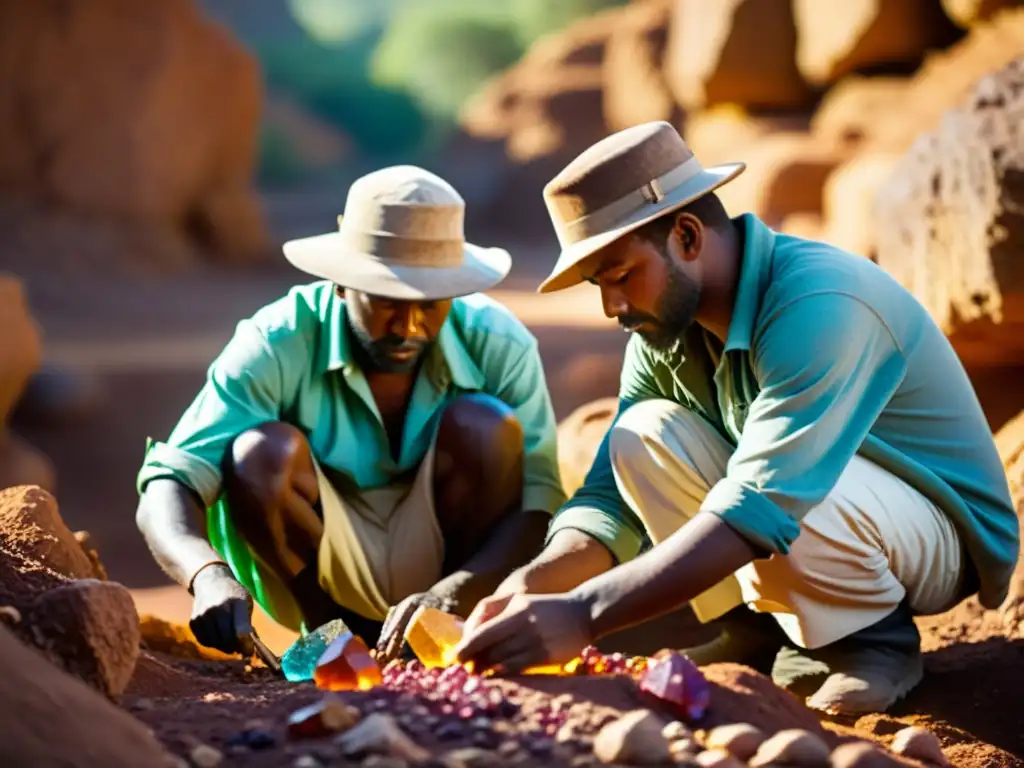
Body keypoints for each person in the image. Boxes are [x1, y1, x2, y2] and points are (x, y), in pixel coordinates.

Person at [453, 122, 1019, 715]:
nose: (611, 307)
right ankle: (758, 633)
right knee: (639, 433)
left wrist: (584, 614)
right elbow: (608, 493)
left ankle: (873, 644)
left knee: (790, 489)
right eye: (599, 284)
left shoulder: (818, 304)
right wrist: (537, 582)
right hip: (815, 498)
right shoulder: (665, 328)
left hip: (934, 529)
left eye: (621, 277)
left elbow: (763, 502)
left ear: (688, 236)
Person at [135, 166, 566, 662]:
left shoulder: (499, 340)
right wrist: (207, 576)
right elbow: (170, 481)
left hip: (457, 566)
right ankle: (334, 641)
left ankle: (445, 633)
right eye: (385, 301)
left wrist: (453, 594)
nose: (408, 325)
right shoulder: (277, 339)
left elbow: (540, 503)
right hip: (321, 565)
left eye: (429, 303)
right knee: (261, 454)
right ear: (340, 284)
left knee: (485, 426)